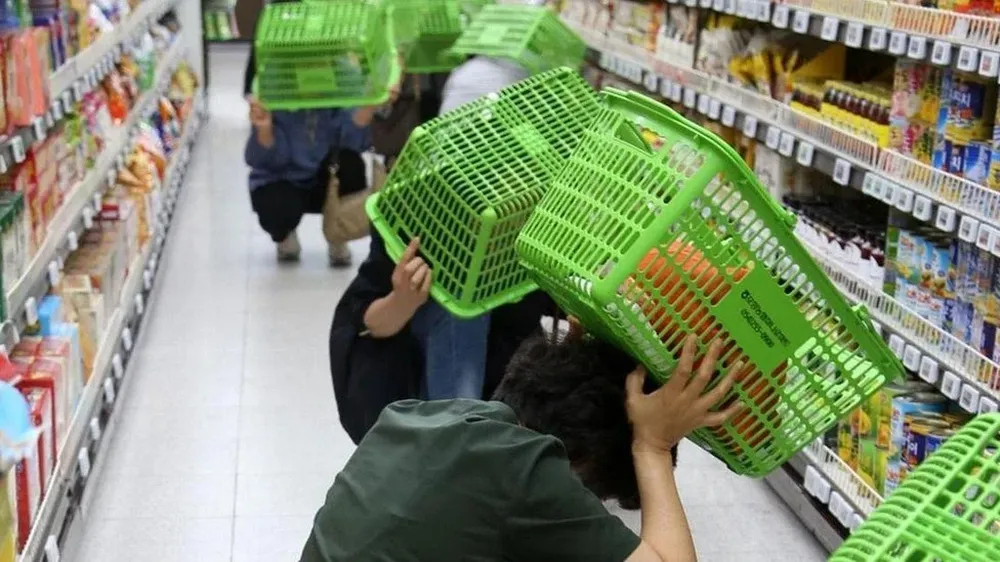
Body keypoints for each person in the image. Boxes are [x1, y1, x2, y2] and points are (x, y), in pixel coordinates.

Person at [305, 331, 744, 561]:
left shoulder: (418, 416)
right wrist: (652, 446)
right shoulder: (525, 469)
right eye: (595, 496)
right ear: (582, 461)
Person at [329, 230, 554, 442]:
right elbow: (364, 316)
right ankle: (457, 442)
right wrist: (403, 301)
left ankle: (463, 444)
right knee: (457, 296)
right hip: (412, 381)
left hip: (505, 381)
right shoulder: (417, 214)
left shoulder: (541, 228)